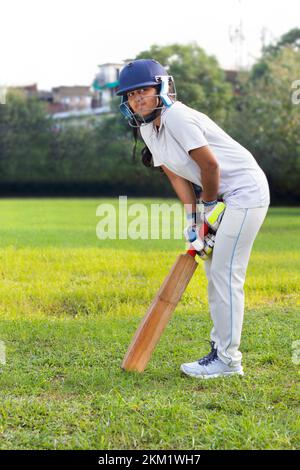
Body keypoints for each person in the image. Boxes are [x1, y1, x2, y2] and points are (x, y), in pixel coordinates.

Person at [116, 59, 270, 379]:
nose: (137, 100)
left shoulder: (177, 118)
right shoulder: (148, 128)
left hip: (244, 191)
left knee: (226, 273)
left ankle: (228, 360)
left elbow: (210, 167)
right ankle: (222, 353)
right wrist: (194, 220)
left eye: (143, 91)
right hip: (222, 196)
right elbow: (176, 178)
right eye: (130, 95)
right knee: (217, 272)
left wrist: (210, 206)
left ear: (162, 88)